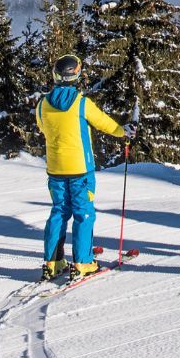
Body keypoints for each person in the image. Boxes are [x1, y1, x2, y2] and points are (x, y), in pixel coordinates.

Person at [34, 54, 133, 281]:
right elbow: (105, 124)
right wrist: (124, 131)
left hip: (55, 168)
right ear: (76, 75)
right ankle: (83, 263)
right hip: (80, 168)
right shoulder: (81, 103)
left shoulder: (42, 105)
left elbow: (43, 128)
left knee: (59, 211)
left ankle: (52, 262)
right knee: (83, 213)